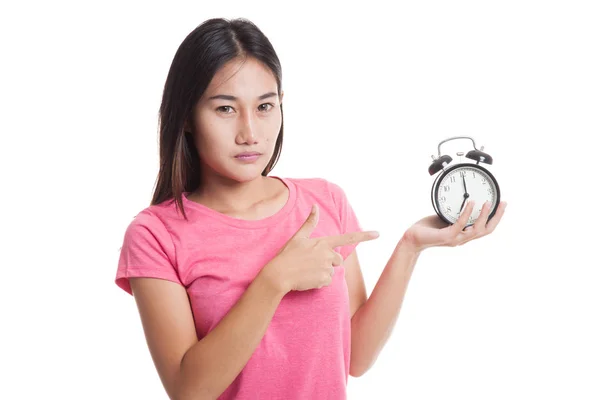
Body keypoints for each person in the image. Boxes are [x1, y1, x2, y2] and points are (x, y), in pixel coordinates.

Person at [114, 17, 507, 400]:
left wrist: (410, 246)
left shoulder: (324, 201)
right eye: (225, 109)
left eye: (265, 107)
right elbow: (189, 390)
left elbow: (356, 357)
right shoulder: (155, 234)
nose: (250, 133)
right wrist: (273, 282)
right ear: (186, 117)